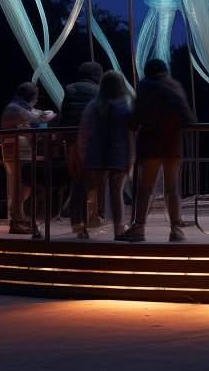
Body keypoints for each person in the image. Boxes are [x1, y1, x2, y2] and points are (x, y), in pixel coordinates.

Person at [120, 59, 196, 242]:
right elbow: (189, 118)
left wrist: (134, 123)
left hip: (150, 146)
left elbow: (134, 118)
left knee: (145, 189)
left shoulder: (145, 87)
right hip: (173, 146)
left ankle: (139, 228)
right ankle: (175, 230)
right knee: (172, 189)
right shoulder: (175, 86)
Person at [77, 71, 134, 237]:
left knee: (96, 191)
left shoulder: (93, 105)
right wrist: (132, 155)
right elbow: (130, 132)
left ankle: (87, 226)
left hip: (96, 155)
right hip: (119, 154)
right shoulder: (126, 104)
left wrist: (83, 154)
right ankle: (118, 227)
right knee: (116, 192)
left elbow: (84, 131)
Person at [0, 82, 56, 235]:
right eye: (35, 97)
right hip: (16, 154)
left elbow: (36, 113)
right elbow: (38, 117)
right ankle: (16, 221)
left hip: (21, 153)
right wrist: (49, 115)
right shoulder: (15, 109)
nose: (35, 100)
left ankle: (20, 218)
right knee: (20, 187)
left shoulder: (17, 107)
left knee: (25, 187)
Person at [61, 62, 102, 230]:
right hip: (92, 142)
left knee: (76, 179)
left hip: (72, 142)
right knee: (93, 180)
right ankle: (92, 217)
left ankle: (77, 220)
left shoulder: (69, 88)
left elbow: (64, 116)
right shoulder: (100, 91)